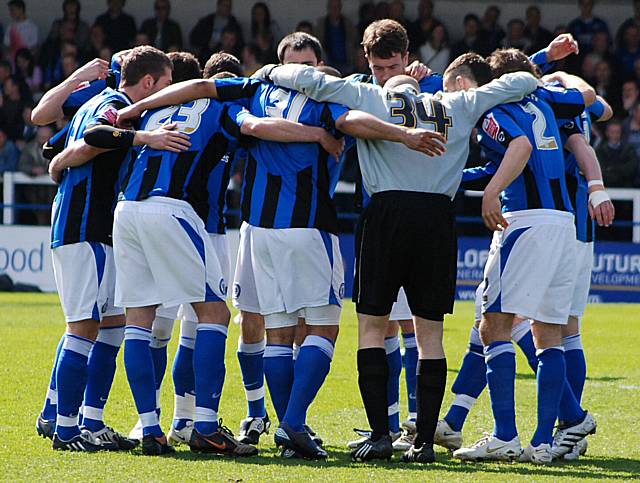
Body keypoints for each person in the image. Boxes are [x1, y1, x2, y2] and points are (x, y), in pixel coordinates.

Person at [117, 38, 444, 462]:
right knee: (324, 327)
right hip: (307, 227)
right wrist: (402, 135)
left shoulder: (254, 88)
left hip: (257, 228)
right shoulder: (326, 97)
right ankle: (289, 421)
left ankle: (256, 422)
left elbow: (208, 95)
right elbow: (355, 119)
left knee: (276, 332)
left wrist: (134, 110)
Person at [263, 25, 540, 464]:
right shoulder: (458, 102)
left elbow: (308, 79)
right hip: (436, 219)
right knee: (429, 335)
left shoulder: (371, 97)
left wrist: (269, 71)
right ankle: (426, 442)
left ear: (388, 77)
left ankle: (380, 435)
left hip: (386, 215)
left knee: (373, 329)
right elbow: (523, 80)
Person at [451, 51, 598, 464]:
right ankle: (542, 442)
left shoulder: (496, 108)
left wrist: (493, 192)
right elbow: (586, 102)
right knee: (548, 332)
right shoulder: (546, 102)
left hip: (525, 222)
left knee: (493, 323)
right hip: (563, 224)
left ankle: (504, 435)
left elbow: (518, 147)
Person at [40, 46, 181, 453]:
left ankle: (91, 420)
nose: (165, 94)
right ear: (150, 82)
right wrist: (146, 136)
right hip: (84, 227)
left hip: (96, 229)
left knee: (113, 324)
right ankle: (65, 429)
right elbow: (95, 138)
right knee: (83, 326)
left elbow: (55, 148)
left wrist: (59, 162)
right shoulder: (117, 105)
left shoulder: (98, 102)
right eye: (165, 84)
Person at [18, 125, 56, 225]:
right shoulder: (29, 148)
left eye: (47, 138)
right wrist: (32, 170)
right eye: (42, 138)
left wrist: (48, 170)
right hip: (33, 192)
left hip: (53, 193)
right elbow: (22, 165)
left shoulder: (58, 149)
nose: (44, 141)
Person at [189, 0, 242, 65]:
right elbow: (193, 38)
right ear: (218, 6)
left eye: (229, 6)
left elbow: (240, 43)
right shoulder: (207, 21)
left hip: (229, 54)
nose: (226, 8)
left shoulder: (234, 23)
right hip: (207, 53)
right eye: (224, 6)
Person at [316, 0, 356, 74]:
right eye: (332, 7)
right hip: (328, 63)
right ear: (328, 8)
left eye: (337, 7)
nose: (334, 9)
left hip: (346, 63)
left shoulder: (348, 24)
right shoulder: (321, 25)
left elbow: (354, 42)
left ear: (340, 8)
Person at [597, 120, 639, 187]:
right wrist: (619, 170)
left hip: (626, 187)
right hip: (606, 187)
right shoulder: (600, 151)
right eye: (612, 132)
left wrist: (611, 169)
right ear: (607, 133)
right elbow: (601, 170)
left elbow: (631, 169)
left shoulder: (629, 150)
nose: (615, 135)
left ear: (621, 133)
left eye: (617, 132)